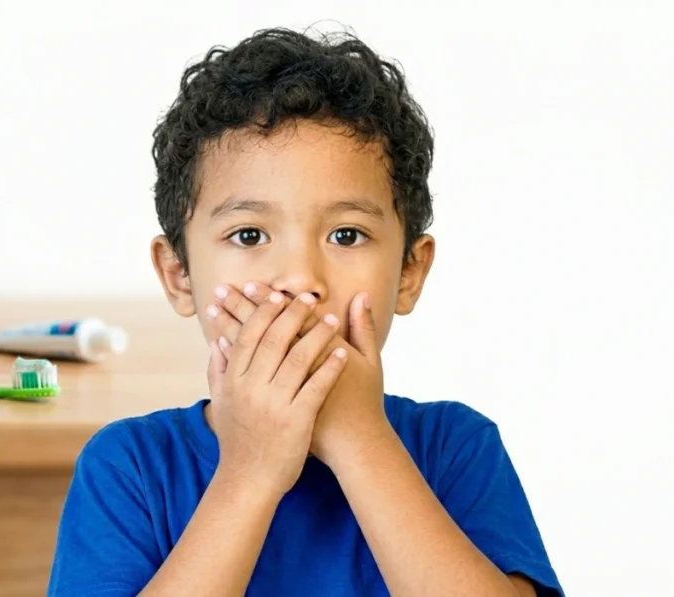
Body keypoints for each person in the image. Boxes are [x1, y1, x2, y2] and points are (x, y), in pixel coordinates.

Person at [47, 26, 563, 597]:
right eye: (248, 235)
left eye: (346, 234)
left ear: (409, 273)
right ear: (179, 275)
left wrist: (360, 439)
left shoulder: (454, 448)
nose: (300, 280)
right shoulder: (132, 468)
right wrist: (251, 472)